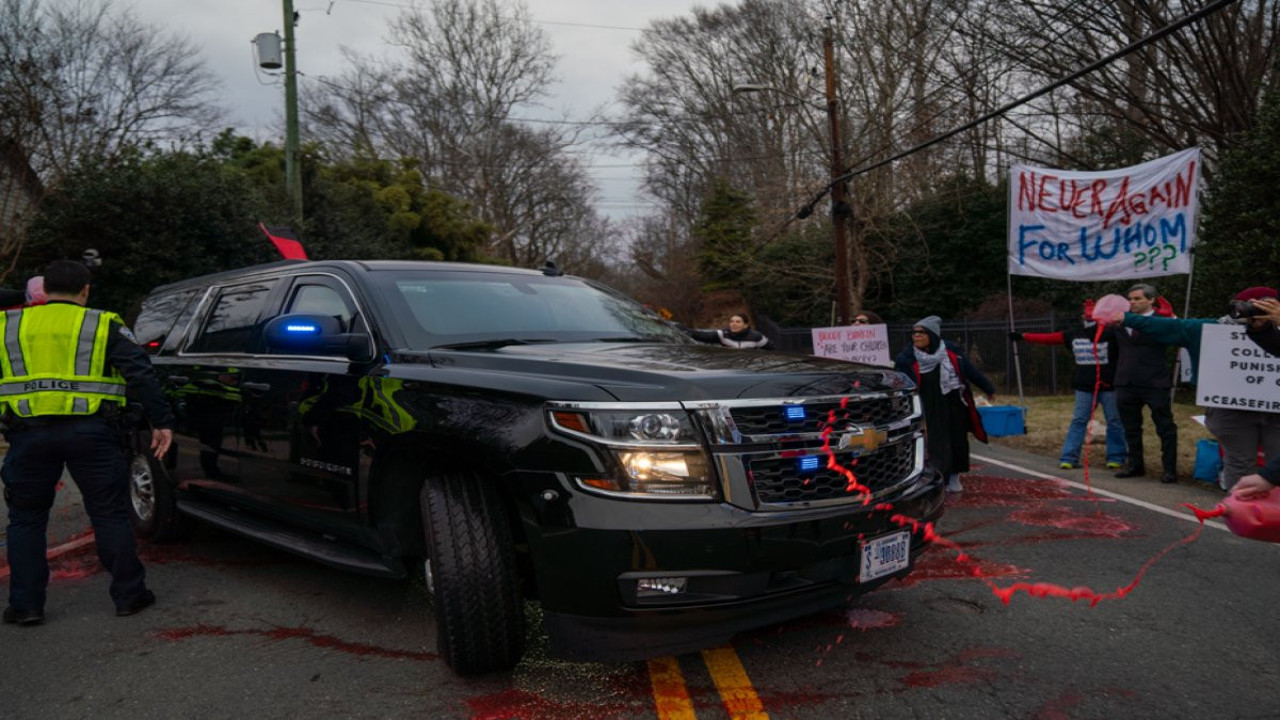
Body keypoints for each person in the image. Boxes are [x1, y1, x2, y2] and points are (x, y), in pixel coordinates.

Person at [1, 260, 175, 626]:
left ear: (44, 290)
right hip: (92, 435)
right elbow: (139, 372)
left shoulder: (8, 325)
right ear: (85, 290)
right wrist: (161, 421)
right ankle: (129, 595)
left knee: (26, 521)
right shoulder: (102, 323)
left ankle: (26, 605)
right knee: (109, 513)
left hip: (28, 435)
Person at [1119, 286, 1280, 492]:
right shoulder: (1211, 328)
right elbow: (1166, 328)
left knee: (1275, 466)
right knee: (1239, 464)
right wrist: (1125, 318)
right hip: (1231, 412)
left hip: (1275, 412)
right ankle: (1242, 516)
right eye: (1252, 307)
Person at [1010, 299, 1127, 471]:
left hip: (1107, 386)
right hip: (1087, 387)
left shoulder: (1113, 334)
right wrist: (1023, 336)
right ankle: (1071, 458)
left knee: (1108, 421)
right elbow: (1050, 338)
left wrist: (1023, 336)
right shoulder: (1077, 334)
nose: (1086, 317)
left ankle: (1112, 457)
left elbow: (1050, 338)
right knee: (1090, 421)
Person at [894, 315, 996, 493]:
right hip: (928, 406)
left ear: (932, 336)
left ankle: (955, 476)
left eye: (921, 333)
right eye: (914, 333)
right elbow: (900, 382)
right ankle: (939, 477)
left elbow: (970, 372)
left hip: (953, 401)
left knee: (957, 440)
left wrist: (988, 388)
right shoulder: (906, 358)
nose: (916, 336)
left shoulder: (951, 352)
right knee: (936, 442)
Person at [1110, 283, 1179, 483]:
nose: (1132, 302)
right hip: (1126, 381)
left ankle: (1169, 469)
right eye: (1130, 299)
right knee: (1130, 427)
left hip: (1154, 382)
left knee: (1165, 427)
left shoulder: (1161, 321)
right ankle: (1135, 465)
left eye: (1138, 298)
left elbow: (1178, 333)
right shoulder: (1120, 322)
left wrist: (1171, 318)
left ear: (1151, 300)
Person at [685, 313, 771, 349]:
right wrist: (684, 329)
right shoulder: (722, 335)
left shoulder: (756, 337)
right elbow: (701, 335)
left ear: (745, 325)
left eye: (738, 322)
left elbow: (770, 350)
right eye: (732, 321)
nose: (734, 324)